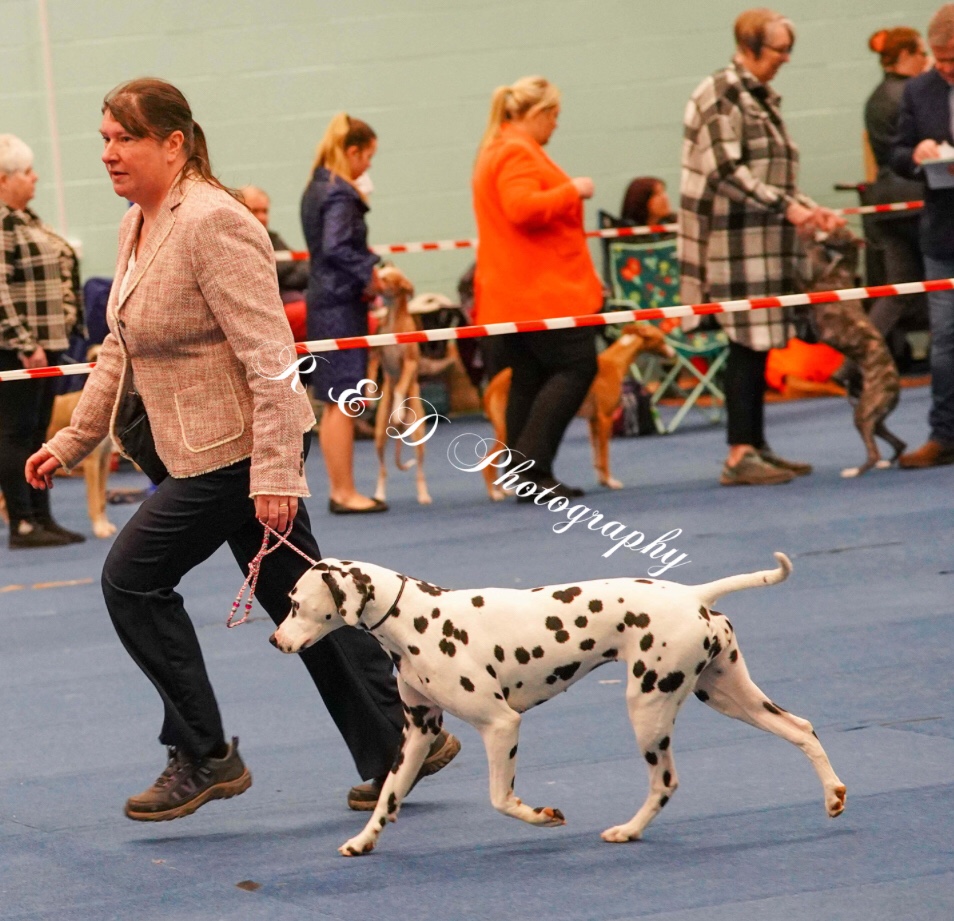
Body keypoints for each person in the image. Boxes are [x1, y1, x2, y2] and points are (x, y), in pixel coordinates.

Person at [26, 78, 457, 821]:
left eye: (124, 138)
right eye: (104, 139)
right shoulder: (138, 223)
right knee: (300, 595)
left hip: (236, 453)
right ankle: (397, 739)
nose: (108, 153)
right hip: (198, 449)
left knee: (131, 580)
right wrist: (72, 439)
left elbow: (272, 358)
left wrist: (277, 470)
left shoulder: (213, 222)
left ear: (174, 143)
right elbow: (119, 348)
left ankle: (204, 753)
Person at [678, 8, 844, 486]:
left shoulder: (758, 95)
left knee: (756, 346)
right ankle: (739, 455)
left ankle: (756, 444)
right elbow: (725, 171)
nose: (786, 59)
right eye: (779, 50)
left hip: (761, 244)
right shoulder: (721, 92)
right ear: (750, 47)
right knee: (744, 344)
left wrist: (810, 209)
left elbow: (772, 175)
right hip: (730, 245)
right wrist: (788, 208)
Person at [472, 75, 602, 500]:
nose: (556, 125)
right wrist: (572, 190)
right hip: (541, 292)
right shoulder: (516, 151)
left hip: (513, 293)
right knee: (577, 366)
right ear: (540, 113)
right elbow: (521, 207)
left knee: (529, 377)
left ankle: (524, 471)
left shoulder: (496, 147)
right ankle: (531, 464)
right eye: (555, 115)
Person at [0, 134, 85, 548]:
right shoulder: (2, 223)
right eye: (27, 172)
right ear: (3, 179)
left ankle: (42, 517)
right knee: (15, 434)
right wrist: (23, 343)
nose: (35, 178)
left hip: (44, 346)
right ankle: (22, 523)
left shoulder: (25, 219)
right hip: (17, 350)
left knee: (37, 433)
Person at [300, 113, 386, 514]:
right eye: (367, 157)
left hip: (326, 299)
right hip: (339, 304)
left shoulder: (317, 185)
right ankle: (343, 492)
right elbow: (337, 247)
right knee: (342, 399)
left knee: (337, 398)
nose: (367, 166)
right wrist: (371, 272)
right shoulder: (339, 193)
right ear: (352, 152)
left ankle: (342, 489)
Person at [891, 4, 954, 467]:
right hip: (943, 235)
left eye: (953, 59)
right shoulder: (918, 90)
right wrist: (917, 154)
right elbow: (895, 153)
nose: (945, 68)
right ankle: (944, 435)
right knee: (946, 341)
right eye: (940, 58)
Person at [863, 27, 930, 367]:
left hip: (884, 202)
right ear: (905, 55)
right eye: (922, 53)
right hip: (915, 198)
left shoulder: (876, 96)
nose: (926, 60)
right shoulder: (912, 93)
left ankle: (852, 364)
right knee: (942, 280)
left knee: (897, 291)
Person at [238, 185, 309, 302]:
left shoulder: (272, 238)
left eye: (265, 211)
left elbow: (296, 266)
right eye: (255, 211)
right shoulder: (235, 243)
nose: (262, 217)